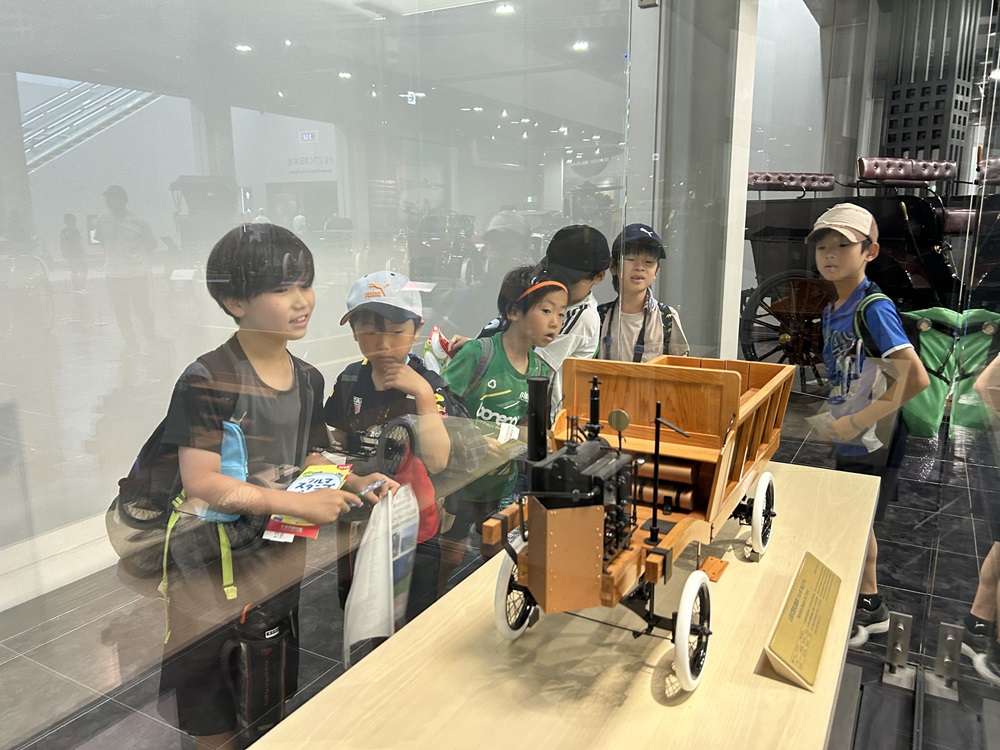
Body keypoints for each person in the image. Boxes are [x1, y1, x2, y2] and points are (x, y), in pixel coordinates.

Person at [157, 223, 395, 747]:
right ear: (234, 301)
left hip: (274, 549)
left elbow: (308, 453)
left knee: (267, 669)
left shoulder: (307, 377)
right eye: (283, 288)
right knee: (212, 693)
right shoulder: (208, 379)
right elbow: (202, 482)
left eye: (305, 284)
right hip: (210, 558)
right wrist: (293, 503)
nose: (302, 300)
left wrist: (354, 479)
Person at [807, 204, 929, 636]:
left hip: (874, 435)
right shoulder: (834, 307)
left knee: (854, 520)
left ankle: (866, 605)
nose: (830, 254)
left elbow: (915, 378)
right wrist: (837, 416)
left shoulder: (873, 307)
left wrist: (856, 420)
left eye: (843, 245)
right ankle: (869, 603)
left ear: (869, 251)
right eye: (822, 246)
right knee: (856, 519)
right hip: (854, 431)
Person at [324, 270, 460, 621]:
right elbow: (339, 439)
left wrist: (424, 396)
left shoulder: (428, 383)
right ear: (354, 333)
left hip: (416, 524)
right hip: (361, 521)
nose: (383, 345)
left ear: (416, 330)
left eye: (397, 332)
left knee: (415, 616)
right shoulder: (350, 379)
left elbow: (438, 460)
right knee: (364, 616)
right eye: (370, 332)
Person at [438, 266, 567, 589]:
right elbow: (441, 407)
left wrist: (521, 440)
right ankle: (434, 599)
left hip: (502, 482)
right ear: (513, 312)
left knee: (495, 552)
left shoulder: (541, 371)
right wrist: (474, 439)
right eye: (546, 310)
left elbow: (529, 430)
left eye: (561, 313)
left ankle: (490, 606)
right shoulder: (478, 353)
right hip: (460, 480)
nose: (555, 321)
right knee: (449, 553)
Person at [476, 224, 610, 417]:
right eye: (554, 274)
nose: (560, 284)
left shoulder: (582, 317)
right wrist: (477, 348)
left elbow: (530, 366)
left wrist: (479, 355)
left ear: (599, 276)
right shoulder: (543, 289)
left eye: (569, 280)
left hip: (535, 415)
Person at [597, 223, 689, 361]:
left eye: (649, 262)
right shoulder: (600, 316)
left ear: (657, 271)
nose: (639, 267)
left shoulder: (667, 317)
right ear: (614, 266)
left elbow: (681, 367)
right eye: (630, 259)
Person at [93, 185, 158, 345]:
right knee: (120, 309)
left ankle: (150, 336)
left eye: (113, 198)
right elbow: (101, 240)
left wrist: (137, 256)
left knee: (142, 307)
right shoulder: (102, 220)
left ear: (123, 200)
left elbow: (151, 243)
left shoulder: (138, 221)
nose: (110, 202)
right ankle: (130, 340)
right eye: (108, 199)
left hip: (136, 273)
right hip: (113, 273)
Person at [59, 212, 87, 291]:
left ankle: (78, 286)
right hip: (75, 254)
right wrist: (82, 251)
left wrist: (64, 252)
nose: (75, 221)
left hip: (73, 254)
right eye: (74, 220)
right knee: (79, 269)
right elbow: (77, 243)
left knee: (76, 270)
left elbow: (62, 243)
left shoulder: (65, 231)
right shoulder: (72, 231)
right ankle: (79, 286)